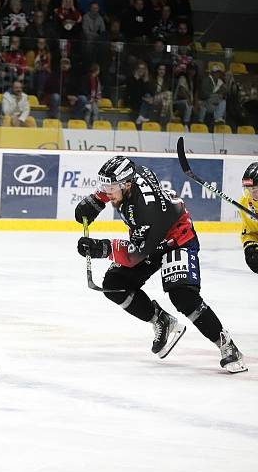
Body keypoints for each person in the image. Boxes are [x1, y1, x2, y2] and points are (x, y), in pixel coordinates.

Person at [75, 156, 247, 373]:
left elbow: (137, 253)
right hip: (150, 238)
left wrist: (103, 248)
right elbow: (139, 242)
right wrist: (96, 200)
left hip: (177, 239)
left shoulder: (146, 209)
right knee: (114, 284)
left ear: (127, 184)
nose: (107, 192)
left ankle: (226, 345)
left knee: (182, 295)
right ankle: (162, 321)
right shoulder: (129, 179)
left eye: (110, 188)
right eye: (105, 187)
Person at [240, 163, 258, 274]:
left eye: (255, 189)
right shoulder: (245, 203)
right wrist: (250, 245)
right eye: (248, 189)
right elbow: (250, 231)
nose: (252, 193)